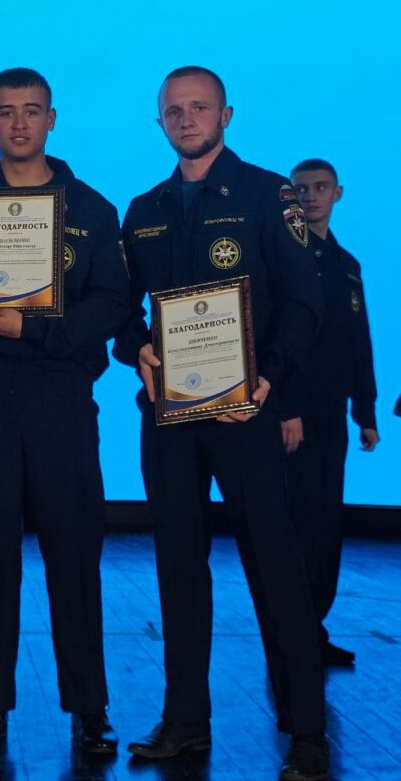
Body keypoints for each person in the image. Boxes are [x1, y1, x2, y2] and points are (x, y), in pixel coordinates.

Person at [114, 67, 329, 781]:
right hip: (169, 419)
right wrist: (136, 349)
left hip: (247, 411)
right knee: (178, 566)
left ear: (226, 114)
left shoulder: (272, 196)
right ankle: (185, 722)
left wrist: (270, 377)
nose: (186, 119)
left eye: (199, 107)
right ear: (160, 122)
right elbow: (121, 309)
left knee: (275, 565)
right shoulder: (143, 210)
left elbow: (305, 301)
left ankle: (306, 730)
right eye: (173, 110)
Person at [0, 68, 129, 757]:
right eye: (5, 111)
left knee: (73, 554)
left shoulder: (93, 209)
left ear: (52, 118)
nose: (19, 123)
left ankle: (89, 706)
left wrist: (38, 329)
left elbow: (113, 304)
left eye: (31, 110)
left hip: (59, 397)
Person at [281, 159, 379, 666]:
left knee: (326, 522)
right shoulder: (283, 257)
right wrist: (288, 408)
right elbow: (278, 342)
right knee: (297, 522)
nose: (311, 196)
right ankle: (291, 636)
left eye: (320, 188)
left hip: (333, 415)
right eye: (301, 189)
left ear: (338, 193)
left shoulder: (348, 265)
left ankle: (313, 628)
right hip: (293, 414)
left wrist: (367, 411)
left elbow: (358, 341)